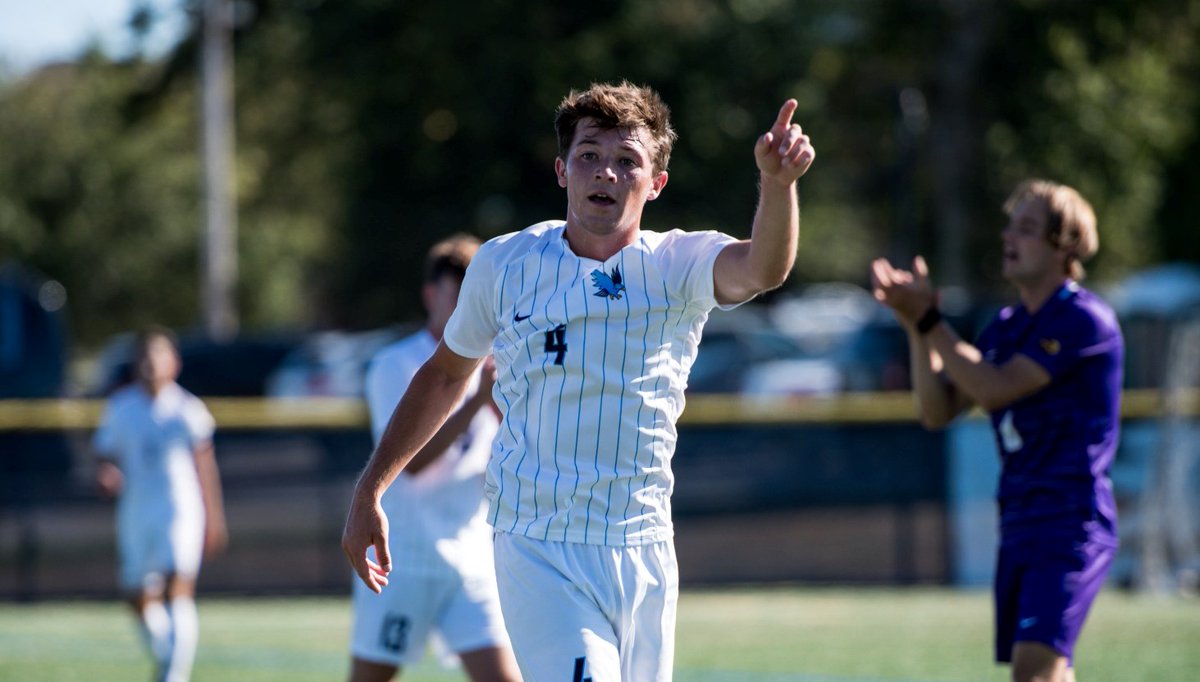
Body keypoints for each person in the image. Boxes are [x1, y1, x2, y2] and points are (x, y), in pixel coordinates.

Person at [343, 80, 815, 681]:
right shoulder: (504, 264)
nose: (607, 174)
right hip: (538, 546)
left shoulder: (676, 265)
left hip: (644, 545)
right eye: (590, 156)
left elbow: (763, 268)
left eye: (627, 161)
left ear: (656, 183)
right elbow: (444, 374)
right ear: (563, 170)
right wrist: (369, 491)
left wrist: (777, 186)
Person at [870, 179, 1122, 682]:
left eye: (1027, 228)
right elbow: (938, 410)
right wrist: (914, 324)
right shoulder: (1007, 324)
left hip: (1070, 521)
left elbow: (993, 387)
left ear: (1065, 244)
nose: (1009, 236)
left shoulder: (1083, 319)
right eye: (1011, 225)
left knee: (1034, 669)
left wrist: (931, 319)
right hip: (1022, 519)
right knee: (1049, 671)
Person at [349, 235, 522, 682]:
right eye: (456, 294)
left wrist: (503, 400)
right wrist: (476, 400)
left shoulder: (496, 363)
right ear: (431, 296)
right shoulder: (396, 364)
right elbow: (414, 464)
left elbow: (520, 443)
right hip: (402, 563)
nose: (469, 306)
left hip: (470, 560)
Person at [93, 327, 228, 682]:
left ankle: (174, 675)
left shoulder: (187, 409)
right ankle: (166, 657)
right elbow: (104, 454)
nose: (150, 365)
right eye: (144, 358)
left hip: (179, 510)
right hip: (136, 511)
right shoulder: (121, 408)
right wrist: (106, 472)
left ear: (173, 363)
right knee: (137, 595)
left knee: (177, 586)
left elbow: (205, 467)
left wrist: (214, 517)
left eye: (157, 357)